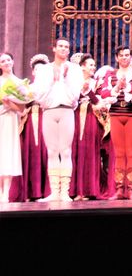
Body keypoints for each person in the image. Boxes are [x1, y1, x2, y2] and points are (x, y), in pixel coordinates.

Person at [31, 37, 84, 201]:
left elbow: (75, 95)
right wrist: (53, 80)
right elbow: (38, 95)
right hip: (49, 111)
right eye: (60, 46)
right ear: (54, 48)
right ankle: (54, 191)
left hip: (66, 111)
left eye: (66, 47)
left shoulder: (75, 69)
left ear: (69, 50)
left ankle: (64, 192)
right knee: (52, 151)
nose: (63, 49)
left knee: (66, 150)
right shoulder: (44, 70)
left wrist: (66, 78)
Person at [97, 46, 132, 199]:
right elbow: (103, 92)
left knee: (131, 153)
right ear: (117, 58)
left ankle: (131, 189)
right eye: (121, 55)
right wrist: (117, 87)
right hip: (115, 115)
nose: (124, 58)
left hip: (131, 115)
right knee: (119, 154)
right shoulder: (110, 74)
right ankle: (120, 188)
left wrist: (128, 86)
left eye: (127, 55)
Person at [71, 53, 102, 200]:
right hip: (75, 116)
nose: (93, 67)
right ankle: (75, 190)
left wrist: (88, 91)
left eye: (94, 65)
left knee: (89, 150)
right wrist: (79, 90)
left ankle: (89, 190)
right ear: (82, 66)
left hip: (90, 117)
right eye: (90, 65)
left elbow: (99, 103)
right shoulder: (72, 82)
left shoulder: (97, 83)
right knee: (75, 151)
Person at [1, 53, 28, 203]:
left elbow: (22, 110)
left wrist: (9, 103)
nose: (6, 62)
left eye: (8, 59)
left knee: (8, 152)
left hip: (10, 119)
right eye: (3, 61)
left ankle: (6, 193)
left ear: (13, 61)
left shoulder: (19, 83)